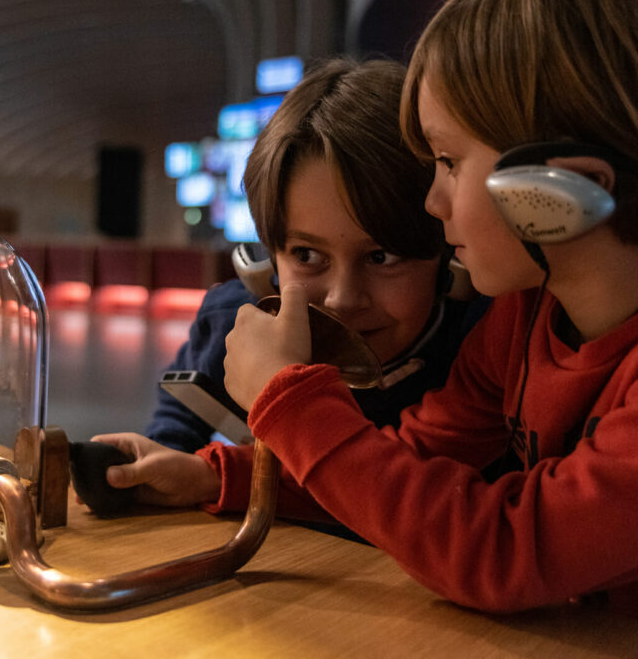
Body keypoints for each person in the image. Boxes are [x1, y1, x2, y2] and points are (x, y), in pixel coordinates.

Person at [209, 0, 638, 614]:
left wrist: (288, 400)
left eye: (448, 162)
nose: (432, 200)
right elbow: (410, 471)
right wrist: (216, 479)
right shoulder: (525, 319)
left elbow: (506, 553)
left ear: (565, 190)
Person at [95, 57, 484, 519]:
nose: (342, 298)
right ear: (264, 266)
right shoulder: (235, 321)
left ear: (448, 261)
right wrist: (154, 468)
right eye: (306, 255)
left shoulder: (484, 343)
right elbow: (180, 419)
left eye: (382, 257)